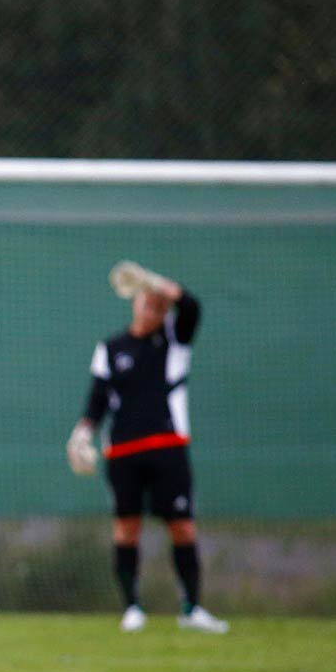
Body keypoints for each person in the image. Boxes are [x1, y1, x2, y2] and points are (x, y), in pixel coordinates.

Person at [72, 265, 228, 633]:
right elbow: (97, 400)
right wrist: (81, 434)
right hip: (123, 452)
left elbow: (191, 307)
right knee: (126, 529)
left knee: (182, 527)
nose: (152, 308)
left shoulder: (175, 340)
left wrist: (160, 284)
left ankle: (191, 608)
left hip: (167, 447)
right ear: (135, 303)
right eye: (147, 301)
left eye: (159, 304)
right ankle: (132, 608)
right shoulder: (110, 348)